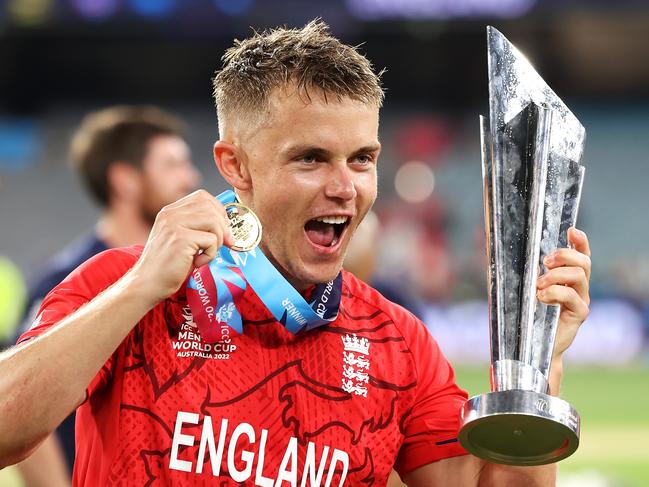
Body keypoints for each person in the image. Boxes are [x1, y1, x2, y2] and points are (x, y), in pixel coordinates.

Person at [0, 21, 592, 486]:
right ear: (237, 165)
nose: (346, 187)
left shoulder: (398, 345)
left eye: (362, 158)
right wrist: (137, 291)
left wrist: (537, 358)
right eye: (310, 158)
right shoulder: (125, 282)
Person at [12, 105, 201, 485]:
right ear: (125, 181)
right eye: (172, 164)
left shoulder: (196, 274)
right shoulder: (65, 279)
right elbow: (20, 401)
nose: (191, 177)